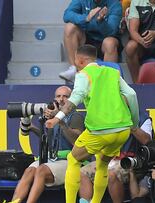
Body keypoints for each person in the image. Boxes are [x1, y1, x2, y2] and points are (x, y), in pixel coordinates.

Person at [45, 44, 139, 203]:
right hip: (122, 131)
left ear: (80, 60)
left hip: (100, 131)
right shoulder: (113, 72)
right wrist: (134, 123)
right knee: (102, 164)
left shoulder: (83, 74)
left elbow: (76, 97)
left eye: (75, 59)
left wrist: (57, 117)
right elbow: (131, 94)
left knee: (73, 159)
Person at [10, 86, 85, 203]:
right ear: (54, 99)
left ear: (71, 100)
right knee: (29, 171)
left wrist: (59, 121)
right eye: (58, 96)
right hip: (52, 159)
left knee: (41, 170)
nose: (61, 99)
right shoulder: (51, 117)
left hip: (70, 161)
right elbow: (50, 139)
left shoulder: (76, 116)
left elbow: (76, 140)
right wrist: (31, 127)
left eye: (65, 96)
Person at [79, 112, 153, 203]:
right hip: (109, 158)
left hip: (131, 161)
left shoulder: (143, 119)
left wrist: (130, 125)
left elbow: (147, 141)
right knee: (82, 172)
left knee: (111, 174)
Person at [60, 0, 122, 82]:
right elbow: (67, 15)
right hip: (86, 38)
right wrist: (86, 18)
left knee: (110, 43)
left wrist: (100, 21)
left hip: (104, 39)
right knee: (69, 28)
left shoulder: (115, 3)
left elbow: (111, 31)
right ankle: (75, 70)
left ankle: (108, 80)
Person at [125, 0, 155, 83]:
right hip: (142, 44)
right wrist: (143, 41)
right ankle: (138, 84)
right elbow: (133, 31)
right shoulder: (137, 1)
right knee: (131, 47)